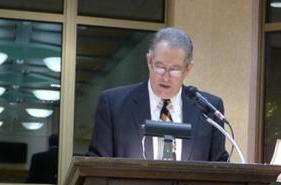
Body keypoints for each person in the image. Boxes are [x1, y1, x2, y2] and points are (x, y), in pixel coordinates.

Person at [86, 27, 229, 162]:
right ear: (149, 60)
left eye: (174, 69)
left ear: (188, 69)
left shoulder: (209, 109)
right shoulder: (114, 105)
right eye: (160, 67)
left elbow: (220, 168)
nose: (166, 77)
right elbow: (96, 165)